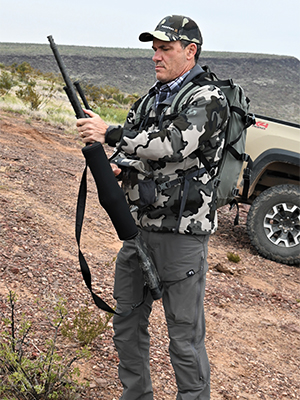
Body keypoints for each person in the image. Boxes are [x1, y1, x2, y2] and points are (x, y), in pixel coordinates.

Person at [77, 15, 229, 400]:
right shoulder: (149, 98)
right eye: (154, 50)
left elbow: (171, 144)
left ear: (190, 51)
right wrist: (117, 165)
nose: (156, 57)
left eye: (166, 49)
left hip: (181, 239)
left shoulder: (208, 99)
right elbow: (140, 156)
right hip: (138, 231)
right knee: (126, 326)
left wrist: (110, 133)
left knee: (183, 340)